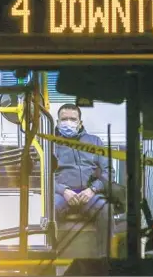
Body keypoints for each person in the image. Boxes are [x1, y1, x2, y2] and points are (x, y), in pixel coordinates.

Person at [54, 103, 113, 257]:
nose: (68, 122)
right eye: (64, 119)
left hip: (89, 194)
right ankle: (51, 260)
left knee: (105, 209)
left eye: (73, 119)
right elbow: (43, 175)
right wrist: (63, 190)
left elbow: (109, 172)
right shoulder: (50, 144)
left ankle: (103, 261)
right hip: (62, 195)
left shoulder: (95, 142)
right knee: (47, 210)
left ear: (80, 122)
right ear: (57, 122)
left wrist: (93, 189)